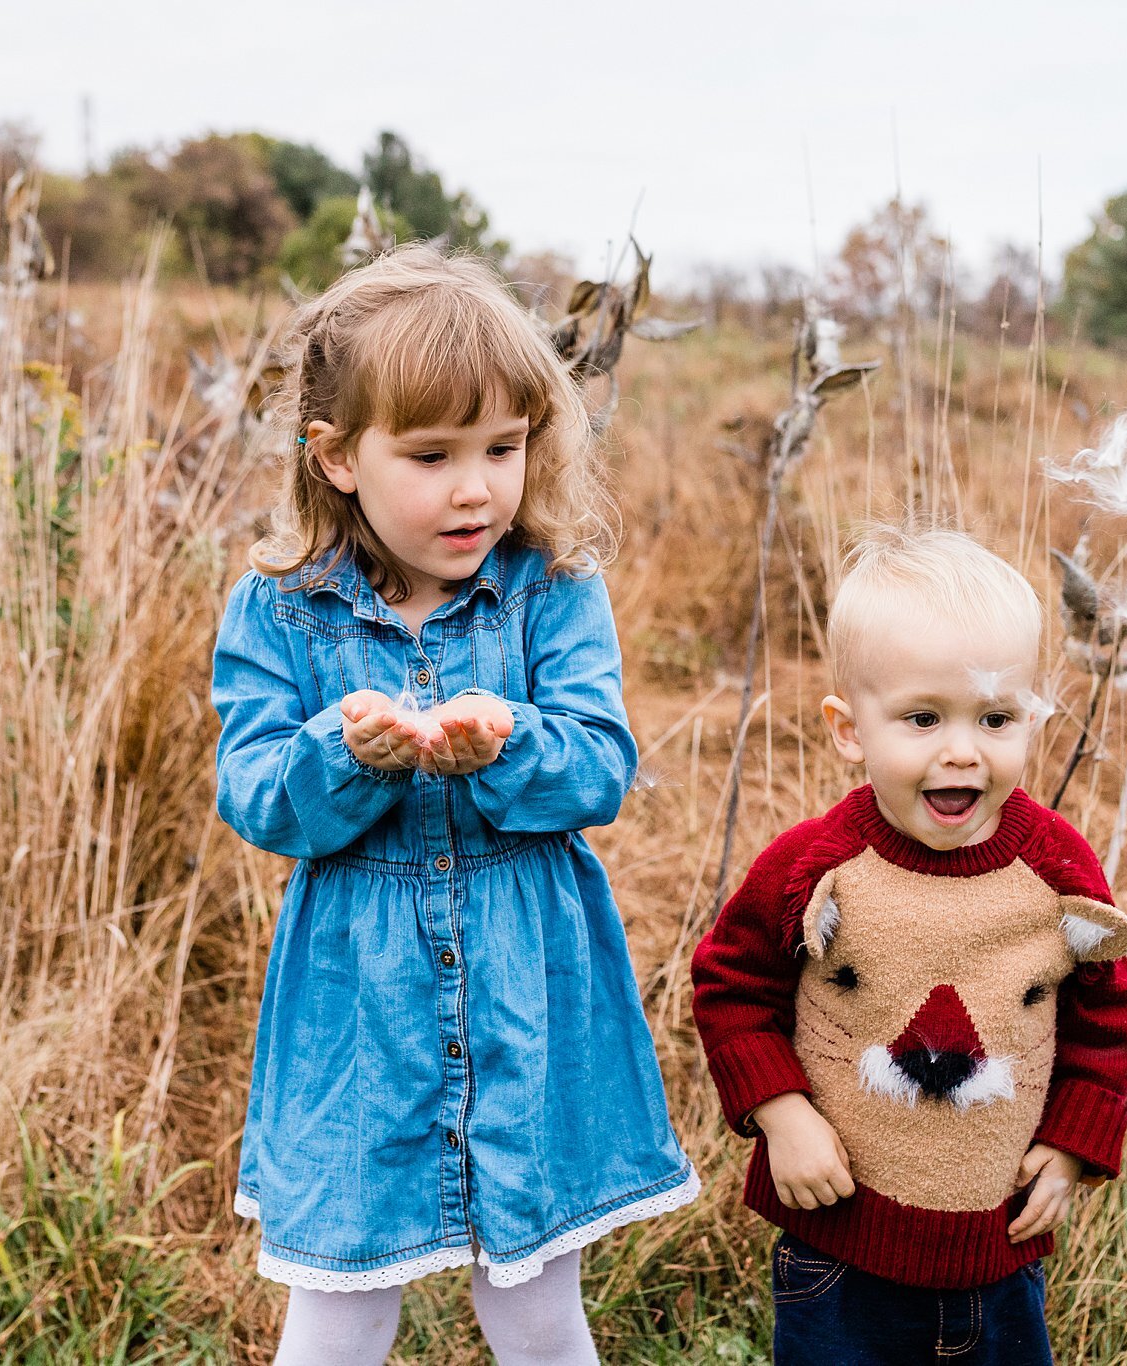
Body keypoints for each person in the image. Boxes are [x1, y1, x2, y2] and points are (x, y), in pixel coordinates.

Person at [211, 244, 696, 1366]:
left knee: (532, 1301)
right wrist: (347, 753)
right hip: (354, 1003)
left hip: (530, 977)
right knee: (334, 1298)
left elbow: (598, 766)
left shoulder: (550, 588)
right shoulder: (282, 610)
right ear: (334, 457)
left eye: (502, 447)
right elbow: (257, 794)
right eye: (429, 454)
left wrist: (505, 742)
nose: (474, 486)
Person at [690, 525, 1127, 1364]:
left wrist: (1076, 1146)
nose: (963, 751)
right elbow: (731, 985)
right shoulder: (815, 867)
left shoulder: (1054, 870)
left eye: (997, 717)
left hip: (998, 1255)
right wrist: (781, 1113)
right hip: (837, 1253)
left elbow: (1107, 1018)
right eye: (924, 717)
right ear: (849, 728)